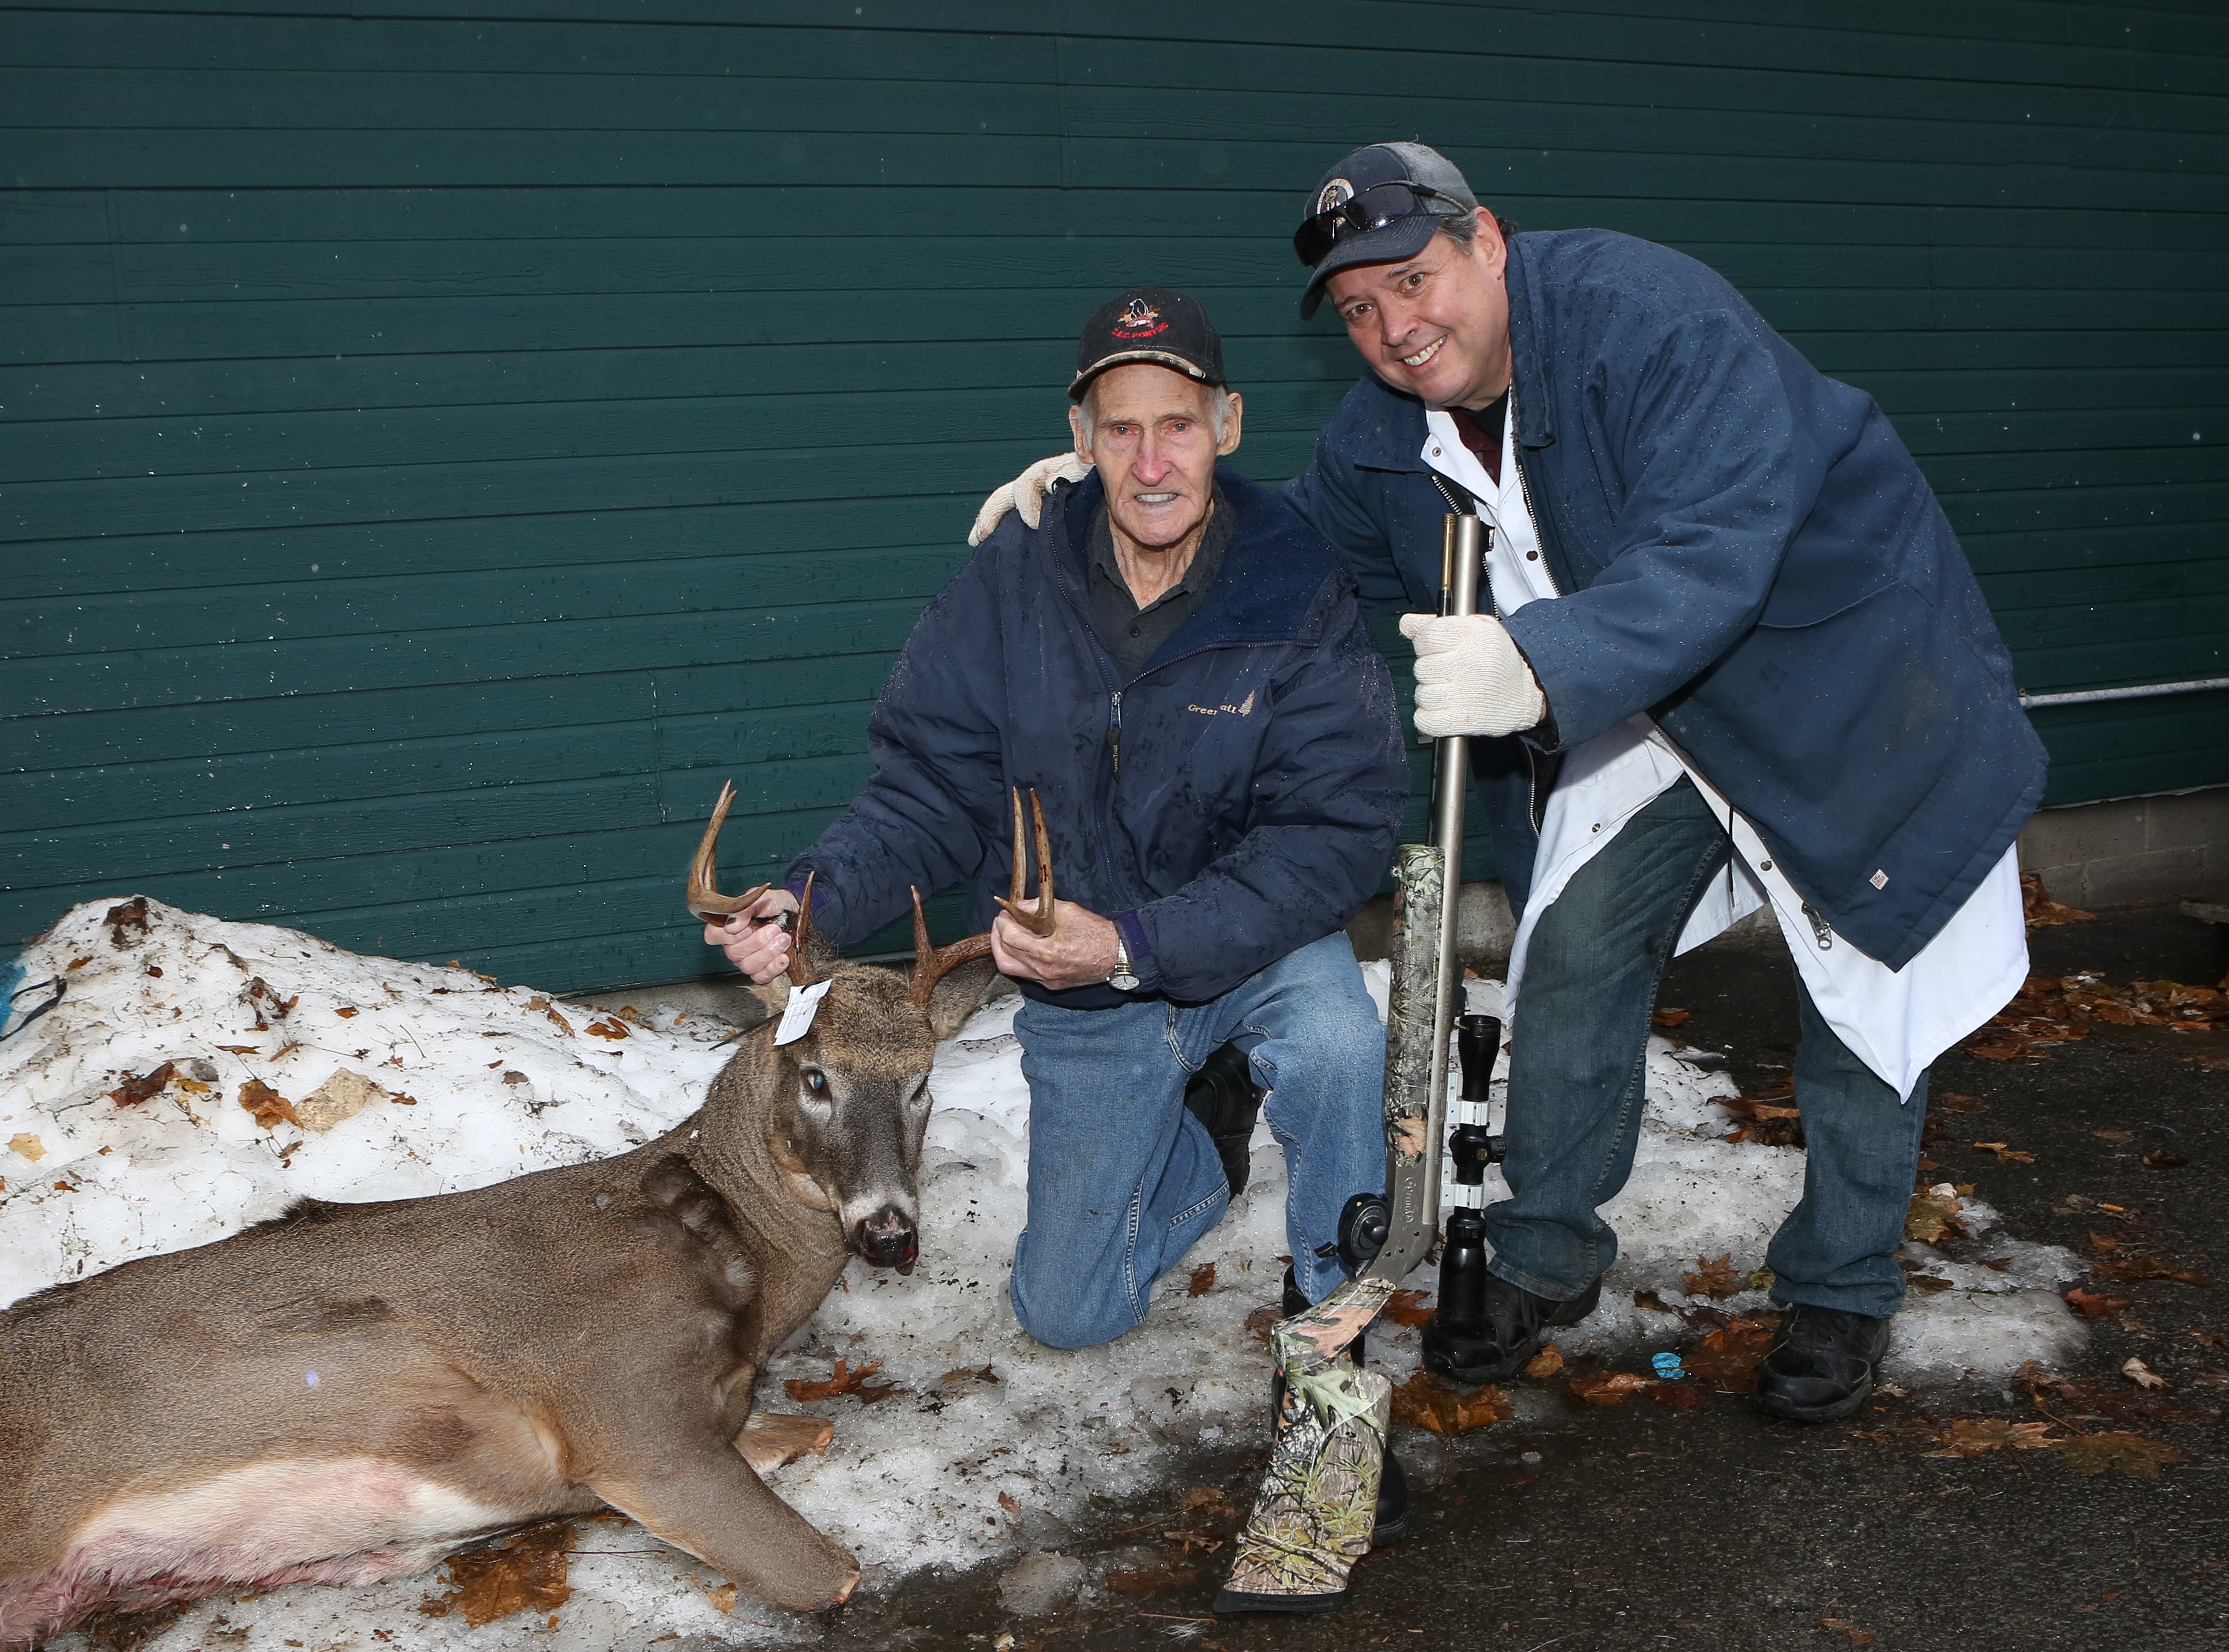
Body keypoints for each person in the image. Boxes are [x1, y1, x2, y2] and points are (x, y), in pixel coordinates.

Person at [970, 147, 2046, 1424]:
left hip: (1850, 688)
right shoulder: (1388, 432)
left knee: (1863, 989)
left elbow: (1716, 547)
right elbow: (1293, 554)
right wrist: (1118, 506)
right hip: (1661, 713)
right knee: (1583, 945)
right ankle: (1541, 1257)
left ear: (1487, 240)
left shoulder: (1651, 323)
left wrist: (1532, 662)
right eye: (1361, 310)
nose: (1395, 327)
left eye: (1414, 280)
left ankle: (1842, 1287)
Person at [707, 288, 1413, 1523]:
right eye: (1122, 427)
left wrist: (1143, 941)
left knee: (1347, 1046)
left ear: (1230, 425)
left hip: (1244, 937)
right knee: (1071, 1312)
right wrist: (806, 896)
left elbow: (1340, 828)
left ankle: (1334, 1380)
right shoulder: (1007, 584)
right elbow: (926, 789)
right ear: (1080, 437)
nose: (1153, 462)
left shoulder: (1296, 581)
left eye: (1180, 426)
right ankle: (1207, 1126)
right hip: (1075, 973)